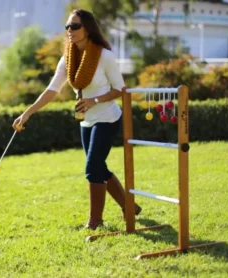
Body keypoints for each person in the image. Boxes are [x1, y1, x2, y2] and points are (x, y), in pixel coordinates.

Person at [12, 9, 142, 230]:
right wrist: (28, 113)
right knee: (98, 166)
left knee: (92, 168)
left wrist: (95, 100)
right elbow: (52, 90)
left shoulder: (104, 56)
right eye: (67, 27)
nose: (69, 31)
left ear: (88, 29)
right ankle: (130, 207)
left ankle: (95, 222)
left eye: (75, 26)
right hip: (86, 120)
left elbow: (121, 89)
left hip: (107, 117)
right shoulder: (67, 58)